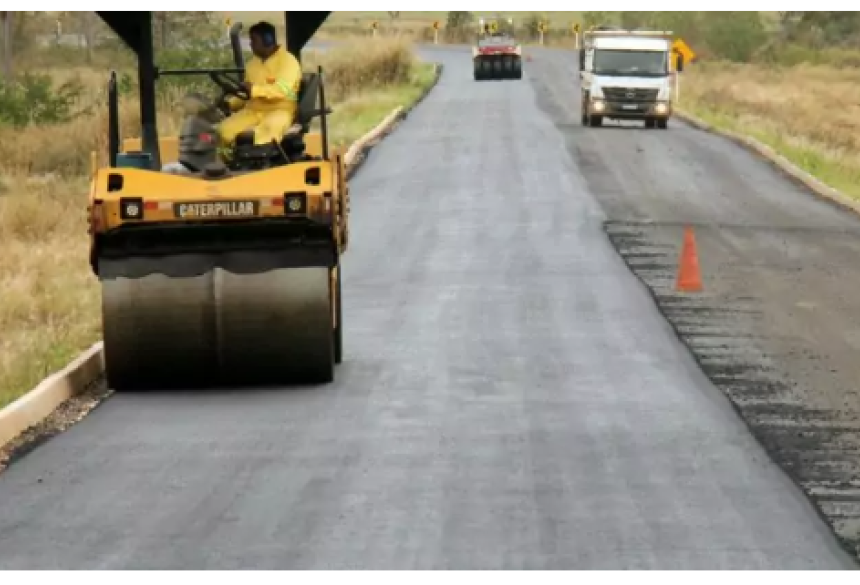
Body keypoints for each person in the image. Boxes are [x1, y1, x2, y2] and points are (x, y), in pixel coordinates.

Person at [218, 21, 302, 152]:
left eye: (254, 40)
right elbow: (247, 95)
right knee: (224, 130)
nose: (251, 44)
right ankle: (227, 164)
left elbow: (282, 90)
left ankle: (262, 165)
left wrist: (254, 90)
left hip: (279, 110)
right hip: (253, 110)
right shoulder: (252, 65)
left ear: (268, 40)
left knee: (269, 128)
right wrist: (230, 104)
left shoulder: (287, 61)